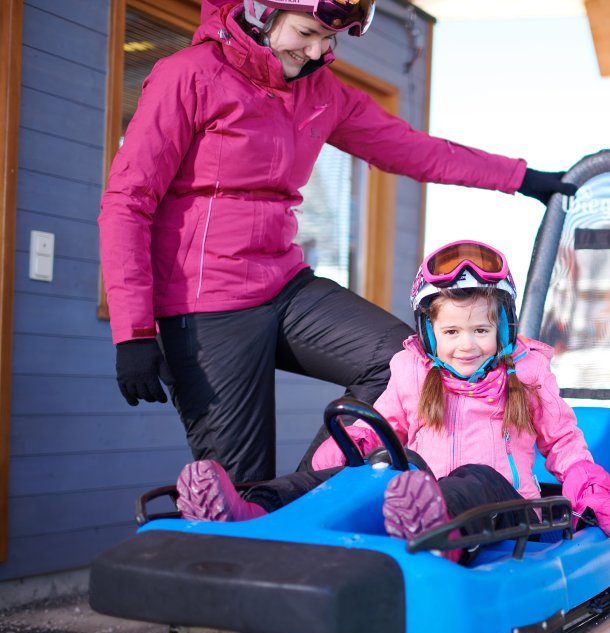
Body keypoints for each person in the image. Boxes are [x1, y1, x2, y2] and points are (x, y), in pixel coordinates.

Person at [99, 0, 576, 484]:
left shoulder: (321, 93)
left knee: (399, 362)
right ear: (261, 12)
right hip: (207, 303)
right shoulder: (190, 75)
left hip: (284, 286)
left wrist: (521, 178)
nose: (315, 51)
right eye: (306, 32)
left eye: (329, 40)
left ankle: (300, 495)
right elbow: (127, 201)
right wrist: (133, 332)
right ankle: (250, 521)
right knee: (237, 488)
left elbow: (411, 149)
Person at [174, 240, 610, 556]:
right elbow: (385, 422)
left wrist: (588, 489)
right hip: (415, 500)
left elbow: (563, 441)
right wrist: (354, 444)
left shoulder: (526, 375)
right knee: (378, 474)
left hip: (502, 510)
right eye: (451, 331)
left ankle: (436, 532)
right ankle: (252, 508)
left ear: (503, 330)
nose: (466, 345)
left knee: (475, 475)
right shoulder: (412, 371)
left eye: (481, 330)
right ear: (429, 333)